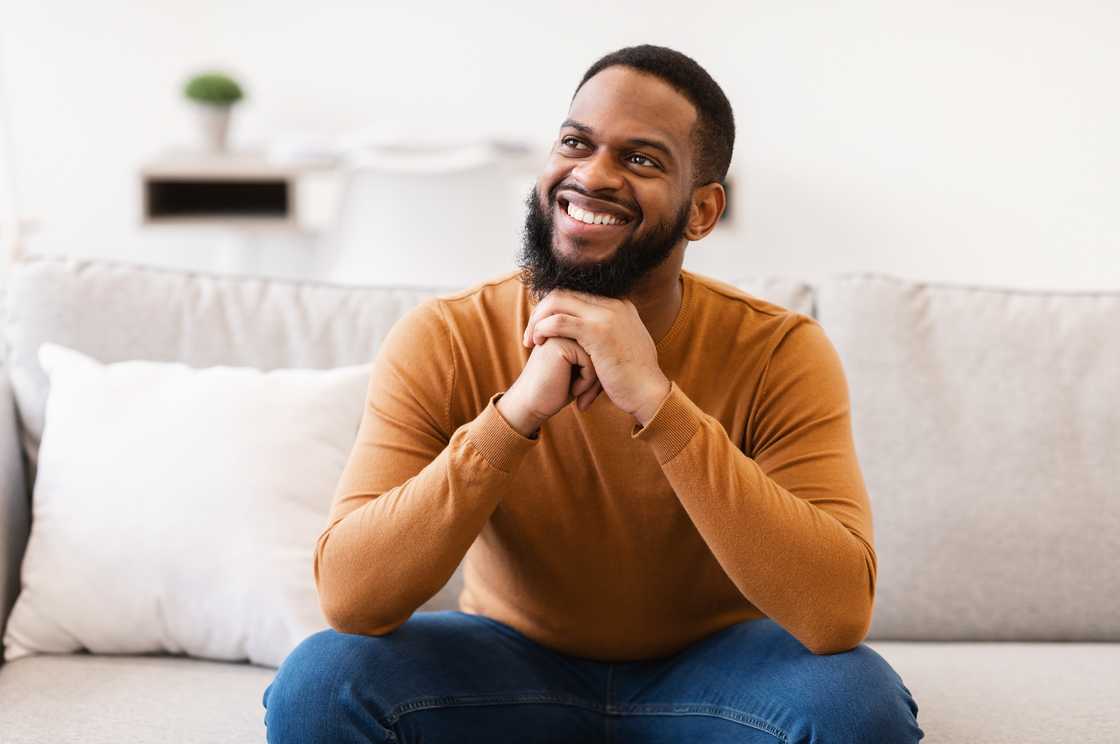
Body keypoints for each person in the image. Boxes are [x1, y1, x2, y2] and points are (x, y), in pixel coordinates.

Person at [263, 44, 924, 743]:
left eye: (641, 159)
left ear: (702, 212)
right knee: (320, 682)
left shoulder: (781, 351)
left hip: (716, 675)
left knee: (857, 707)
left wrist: (656, 400)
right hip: (504, 671)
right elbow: (351, 597)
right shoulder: (445, 336)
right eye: (576, 142)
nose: (592, 175)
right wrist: (517, 413)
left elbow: (836, 612)